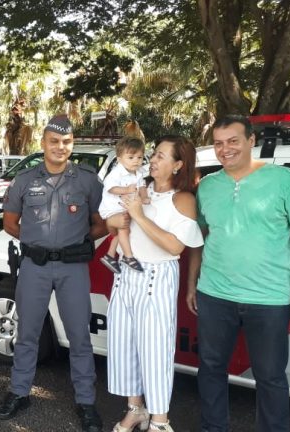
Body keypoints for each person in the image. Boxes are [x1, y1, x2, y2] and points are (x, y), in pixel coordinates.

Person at [0, 114, 108, 432]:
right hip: (35, 266)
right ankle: (19, 393)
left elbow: (101, 223)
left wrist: (80, 242)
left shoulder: (87, 180)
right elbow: (10, 223)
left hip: (73, 268)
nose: (60, 147)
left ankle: (86, 401)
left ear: (72, 143)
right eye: (54, 141)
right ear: (43, 143)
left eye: (66, 141)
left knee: (79, 336)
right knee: (27, 333)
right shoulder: (25, 180)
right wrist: (37, 243)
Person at [187, 115, 290, 432]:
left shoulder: (284, 180)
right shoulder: (208, 186)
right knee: (210, 368)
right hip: (214, 294)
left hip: (269, 298)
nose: (225, 149)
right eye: (218, 143)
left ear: (251, 141)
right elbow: (199, 238)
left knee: (270, 377)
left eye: (233, 141)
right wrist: (192, 284)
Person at [107, 136, 203, 432]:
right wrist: (118, 219)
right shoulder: (140, 187)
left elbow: (175, 246)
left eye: (161, 155)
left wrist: (138, 215)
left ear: (178, 164)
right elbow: (112, 222)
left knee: (156, 350)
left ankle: (160, 421)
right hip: (126, 273)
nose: (153, 159)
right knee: (124, 345)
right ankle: (135, 409)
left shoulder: (183, 199)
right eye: (154, 153)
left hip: (157, 276)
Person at [99, 137, 150, 273]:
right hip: (112, 208)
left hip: (124, 207)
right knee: (124, 229)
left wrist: (144, 197)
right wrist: (126, 190)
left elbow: (142, 186)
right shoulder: (116, 173)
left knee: (122, 232)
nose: (136, 161)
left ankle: (110, 255)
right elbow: (111, 188)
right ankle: (128, 257)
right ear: (119, 159)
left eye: (139, 157)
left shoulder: (139, 173)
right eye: (131, 157)